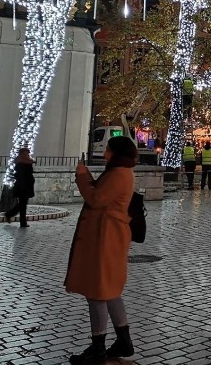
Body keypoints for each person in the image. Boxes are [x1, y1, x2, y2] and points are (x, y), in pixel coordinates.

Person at [65, 135, 137, 363]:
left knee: (97, 292)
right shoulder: (120, 173)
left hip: (105, 238)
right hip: (108, 236)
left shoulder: (118, 174)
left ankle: (98, 346)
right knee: (110, 290)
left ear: (116, 153)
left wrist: (83, 177)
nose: (104, 153)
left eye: (108, 150)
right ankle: (123, 341)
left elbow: (97, 198)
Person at [4, 148, 35, 227]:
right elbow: (25, 175)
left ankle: (22, 222)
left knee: (22, 204)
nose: (28, 154)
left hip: (23, 186)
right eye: (27, 153)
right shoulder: (25, 162)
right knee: (22, 204)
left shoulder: (21, 161)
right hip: (24, 186)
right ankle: (10, 215)